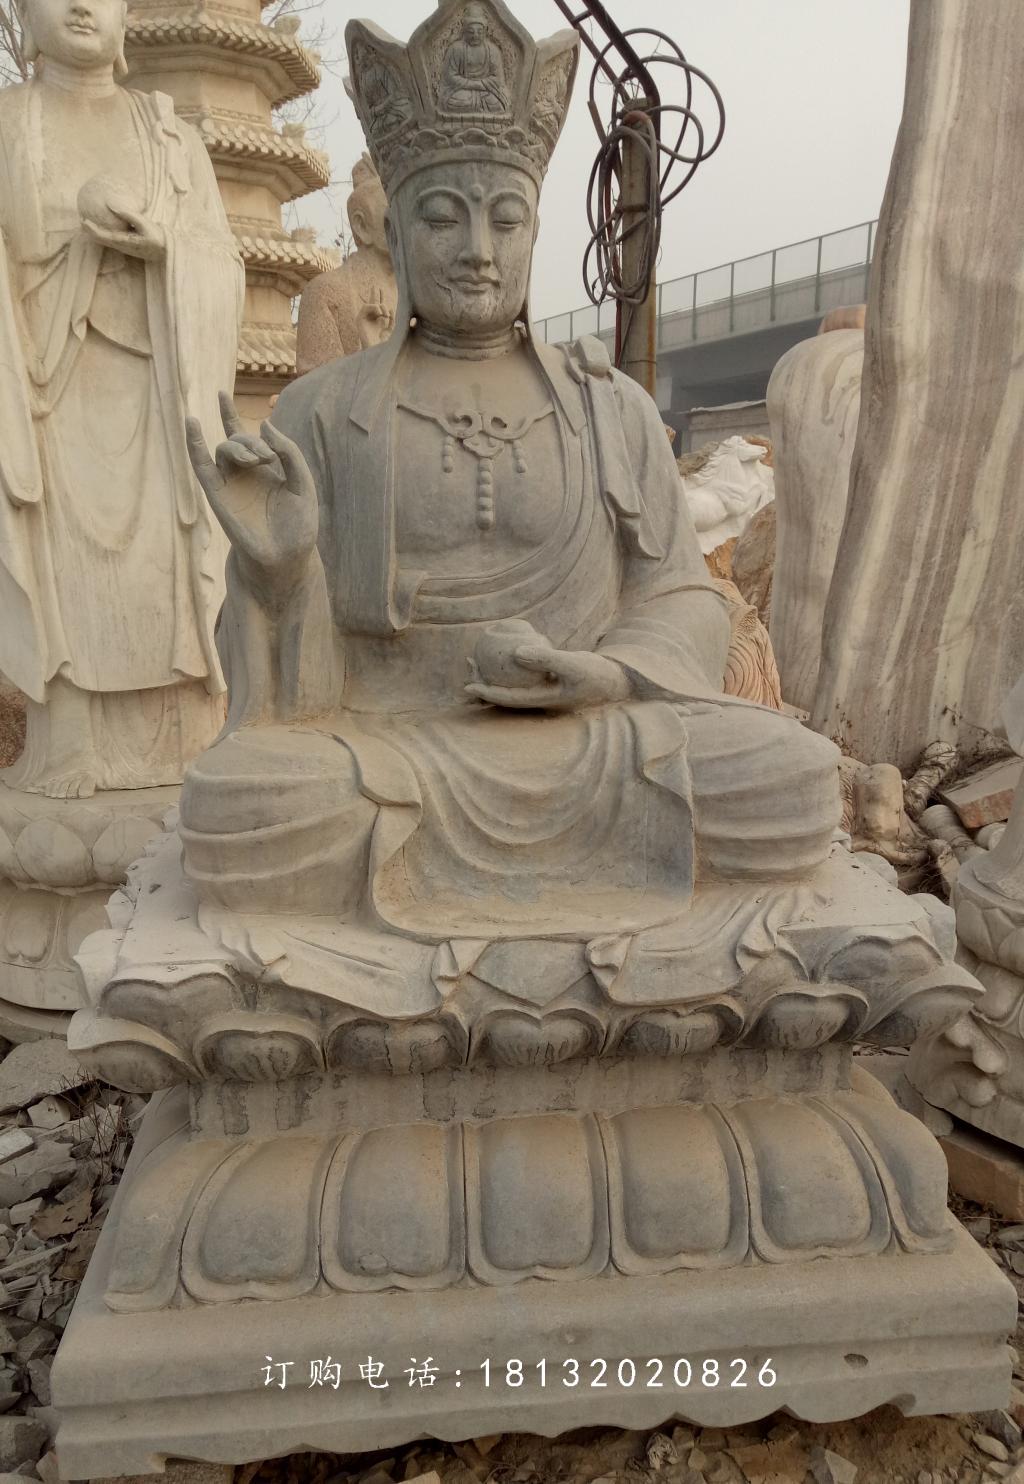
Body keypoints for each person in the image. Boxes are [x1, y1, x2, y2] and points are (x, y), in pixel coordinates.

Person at [0, 0, 244, 798]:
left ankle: (183, 733)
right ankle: (68, 739)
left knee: (165, 568)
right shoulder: (8, 125)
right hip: (45, 394)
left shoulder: (169, 135)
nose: (81, 5)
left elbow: (222, 261)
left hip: (160, 385)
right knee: (61, 571)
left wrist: (167, 248)